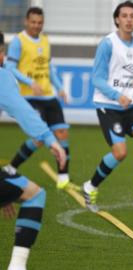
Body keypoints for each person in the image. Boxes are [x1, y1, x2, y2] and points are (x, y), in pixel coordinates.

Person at [82, 1, 133, 212]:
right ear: (117, 19)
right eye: (124, 15)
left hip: (131, 105)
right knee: (120, 153)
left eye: (132, 16)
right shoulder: (108, 44)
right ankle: (90, 187)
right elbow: (97, 79)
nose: (128, 19)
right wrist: (117, 95)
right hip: (108, 104)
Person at [0, 31, 66, 270]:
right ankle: (17, 266)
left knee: (19, 188)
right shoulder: (3, 76)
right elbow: (22, 110)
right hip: (38, 101)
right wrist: (51, 140)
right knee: (35, 195)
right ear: (2, 55)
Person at [3, 7, 71, 189]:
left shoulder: (45, 40)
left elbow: (49, 68)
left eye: (40, 22)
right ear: (26, 21)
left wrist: (59, 88)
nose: (36, 25)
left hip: (48, 95)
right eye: (33, 22)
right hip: (29, 96)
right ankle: (11, 167)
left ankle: (63, 179)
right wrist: (30, 82)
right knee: (39, 137)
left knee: (63, 133)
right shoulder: (19, 41)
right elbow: (9, 67)